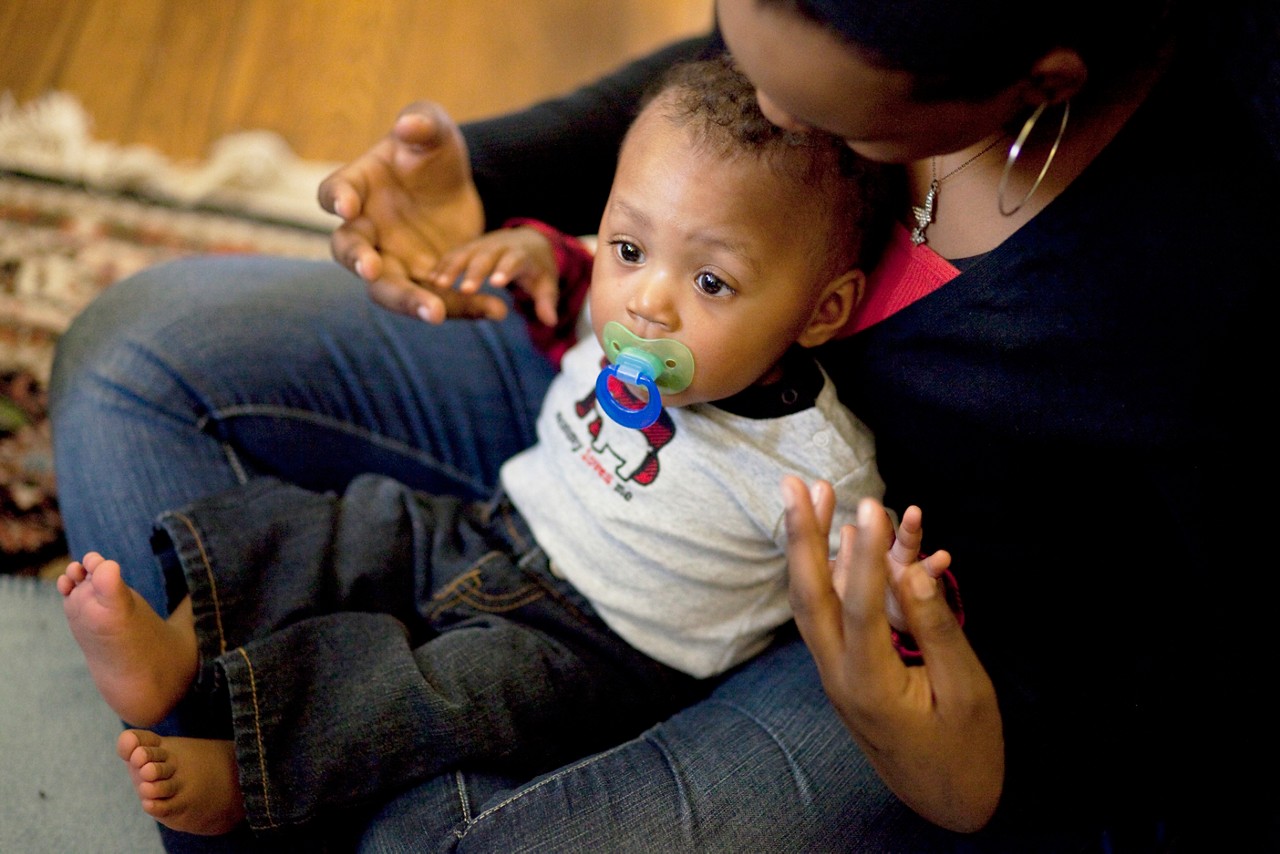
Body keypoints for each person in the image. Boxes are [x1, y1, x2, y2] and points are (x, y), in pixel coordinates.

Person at [47, 0, 1277, 851]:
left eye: (838, 134)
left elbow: (1186, 694)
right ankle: (255, 725)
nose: (783, 125)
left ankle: (270, 743)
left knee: (446, 814)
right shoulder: (682, 246)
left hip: (868, 639)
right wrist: (516, 201)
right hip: (568, 486)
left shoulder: (1197, 269)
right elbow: (710, 115)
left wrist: (949, 760)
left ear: (1033, 88)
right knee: (131, 358)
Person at [55, 54, 922, 842]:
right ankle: (184, 638)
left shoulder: (811, 463)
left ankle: (250, 770)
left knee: (429, 688)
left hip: (592, 652)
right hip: (496, 528)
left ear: (823, 311)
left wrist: (890, 592)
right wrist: (535, 257)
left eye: (710, 282)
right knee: (348, 528)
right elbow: (569, 302)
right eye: (629, 247)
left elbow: (863, 590)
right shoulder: (618, 307)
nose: (648, 303)